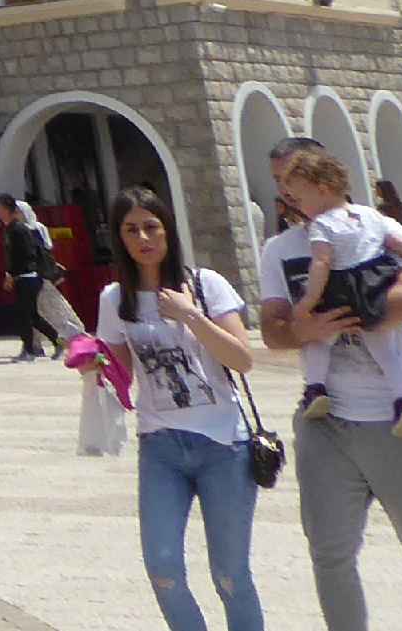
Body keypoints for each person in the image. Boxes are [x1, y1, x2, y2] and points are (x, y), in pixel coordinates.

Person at [257, 136, 402, 631]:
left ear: (321, 176)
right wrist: (304, 330)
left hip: (399, 421)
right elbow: (273, 330)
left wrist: (334, 315)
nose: (286, 190)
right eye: (279, 181)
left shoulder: (371, 228)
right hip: (326, 424)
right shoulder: (279, 249)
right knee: (330, 555)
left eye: (293, 177)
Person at [81, 187, 264, 631]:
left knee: (230, 575)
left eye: (151, 227)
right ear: (119, 238)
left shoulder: (205, 285)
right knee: (162, 568)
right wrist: (92, 362)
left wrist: (190, 315)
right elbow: (121, 376)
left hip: (224, 444)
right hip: (161, 446)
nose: (143, 238)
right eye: (131, 230)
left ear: (168, 230)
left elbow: (242, 359)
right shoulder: (114, 299)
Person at [277, 148, 402, 433]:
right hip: (375, 287)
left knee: (319, 341)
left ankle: (316, 389)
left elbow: (322, 263)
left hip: (341, 289)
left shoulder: (321, 225)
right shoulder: (371, 215)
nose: (298, 206)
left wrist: (308, 301)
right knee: (386, 352)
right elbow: (401, 246)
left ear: (322, 190)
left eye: (300, 199)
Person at [3, 193, 66, 360]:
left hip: (34, 277)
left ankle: (35, 348)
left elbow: (33, 253)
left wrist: (11, 274)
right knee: (30, 315)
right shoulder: (16, 229)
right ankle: (37, 346)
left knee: (31, 315)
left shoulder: (28, 229)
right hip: (30, 277)